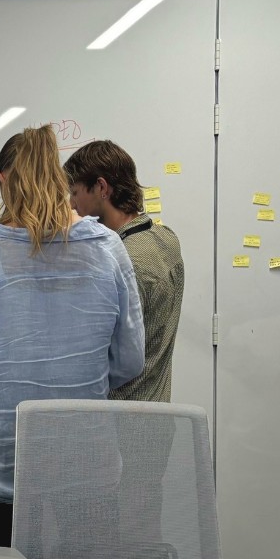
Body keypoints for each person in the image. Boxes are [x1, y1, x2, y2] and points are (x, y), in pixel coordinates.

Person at [0, 124, 145, 547]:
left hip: (4, 464)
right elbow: (130, 362)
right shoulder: (108, 248)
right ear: (59, 177)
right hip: (85, 462)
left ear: (2, 180)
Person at [65, 139, 185, 402]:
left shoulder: (124, 262)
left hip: (124, 422)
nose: (72, 204)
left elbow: (105, 356)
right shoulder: (167, 239)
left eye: (74, 192)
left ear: (101, 187)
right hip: (157, 412)